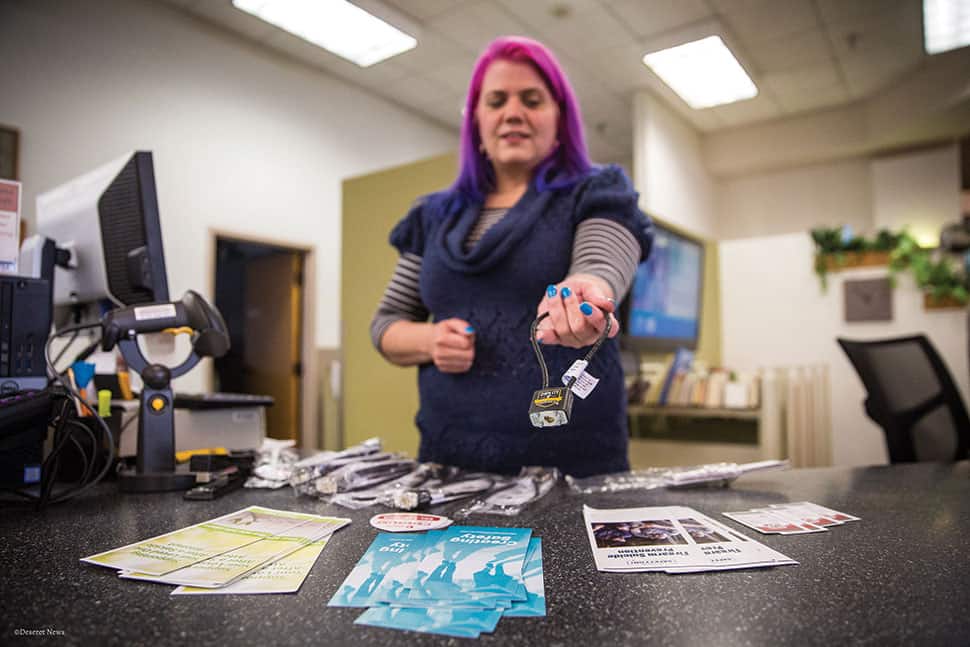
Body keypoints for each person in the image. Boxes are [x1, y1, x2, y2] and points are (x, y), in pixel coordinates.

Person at [370, 36, 653, 478]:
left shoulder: (597, 191)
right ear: (477, 120)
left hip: (573, 471)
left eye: (532, 100)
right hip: (448, 463)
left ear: (559, 117)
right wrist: (429, 342)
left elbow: (602, 261)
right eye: (497, 100)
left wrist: (588, 293)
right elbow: (387, 322)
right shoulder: (431, 217)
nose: (513, 113)